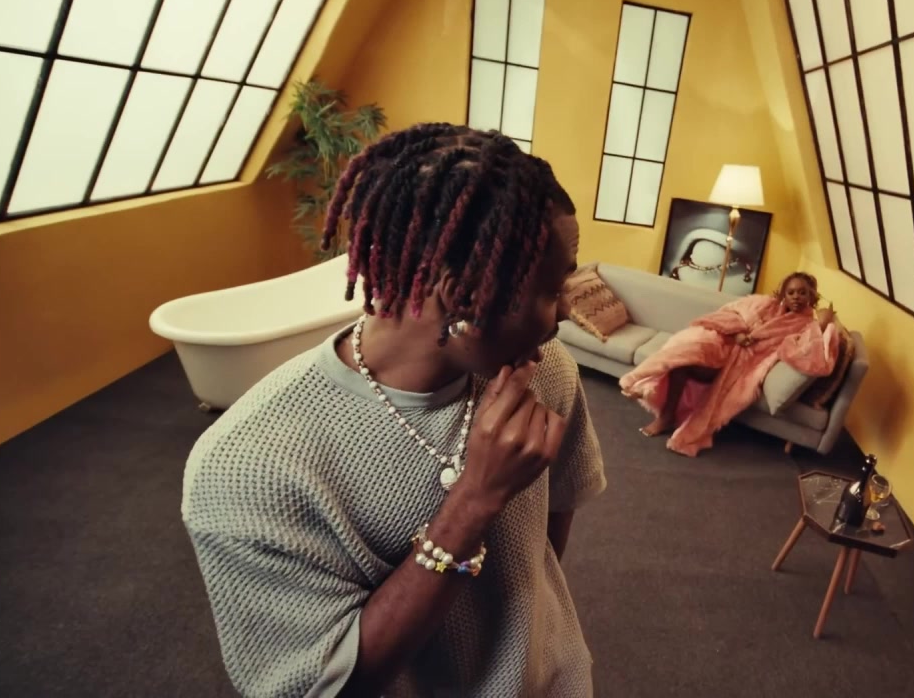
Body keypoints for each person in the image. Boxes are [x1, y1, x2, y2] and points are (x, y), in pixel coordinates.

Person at [181, 124, 606, 697]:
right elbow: (324, 686)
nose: (566, 314)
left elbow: (546, 542)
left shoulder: (545, 369)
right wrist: (473, 502)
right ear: (464, 297)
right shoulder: (246, 466)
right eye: (552, 292)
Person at [620, 273, 840, 457]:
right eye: (791, 292)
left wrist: (822, 321)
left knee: (684, 364)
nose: (796, 297)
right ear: (783, 294)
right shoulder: (764, 303)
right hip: (725, 345)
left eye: (802, 292)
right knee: (688, 349)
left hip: (742, 364)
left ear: (811, 295)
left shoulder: (805, 325)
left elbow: (801, 351)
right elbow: (730, 313)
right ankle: (639, 383)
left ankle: (662, 411)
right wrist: (737, 333)